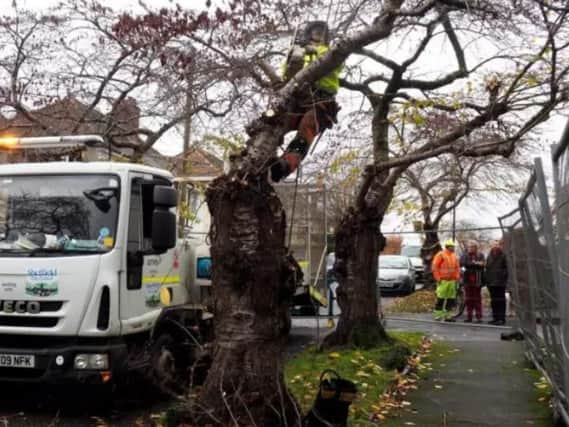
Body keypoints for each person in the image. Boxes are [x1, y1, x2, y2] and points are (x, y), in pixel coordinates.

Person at [270, 21, 343, 182]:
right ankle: (262, 159)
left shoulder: (331, 51)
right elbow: (286, 73)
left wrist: (314, 50)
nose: (317, 33)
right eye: (314, 30)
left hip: (320, 100)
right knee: (276, 127)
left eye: (321, 31)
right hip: (295, 100)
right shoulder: (297, 51)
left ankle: (285, 165)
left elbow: (337, 63)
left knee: (307, 126)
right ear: (308, 33)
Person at [432, 240, 461, 322]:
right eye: (453, 246)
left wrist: (457, 277)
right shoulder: (440, 255)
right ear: (448, 247)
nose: (454, 248)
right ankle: (438, 316)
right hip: (443, 281)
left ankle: (448, 316)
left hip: (452, 281)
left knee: (450, 300)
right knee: (440, 298)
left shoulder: (454, 256)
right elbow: (435, 267)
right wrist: (438, 278)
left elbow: (457, 268)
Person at [460, 241, 485, 323]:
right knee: (468, 299)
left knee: (477, 299)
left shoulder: (480, 255)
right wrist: (474, 264)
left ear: (475, 247)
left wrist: (475, 264)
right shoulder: (464, 256)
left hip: (477, 280)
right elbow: (462, 264)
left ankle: (479, 317)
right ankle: (469, 316)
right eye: (469, 247)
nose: (470, 248)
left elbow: (483, 264)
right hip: (467, 281)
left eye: (472, 247)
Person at [485, 240, 508, 325]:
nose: (495, 246)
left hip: (500, 282)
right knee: (494, 301)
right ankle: (495, 318)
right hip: (491, 282)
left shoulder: (503, 255)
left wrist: (502, 276)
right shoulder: (489, 256)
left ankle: (501, 319)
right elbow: (487, 268)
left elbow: (507, 268)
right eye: (493, 245)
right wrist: (487, 280)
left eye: (496, 244)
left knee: (501, 301)